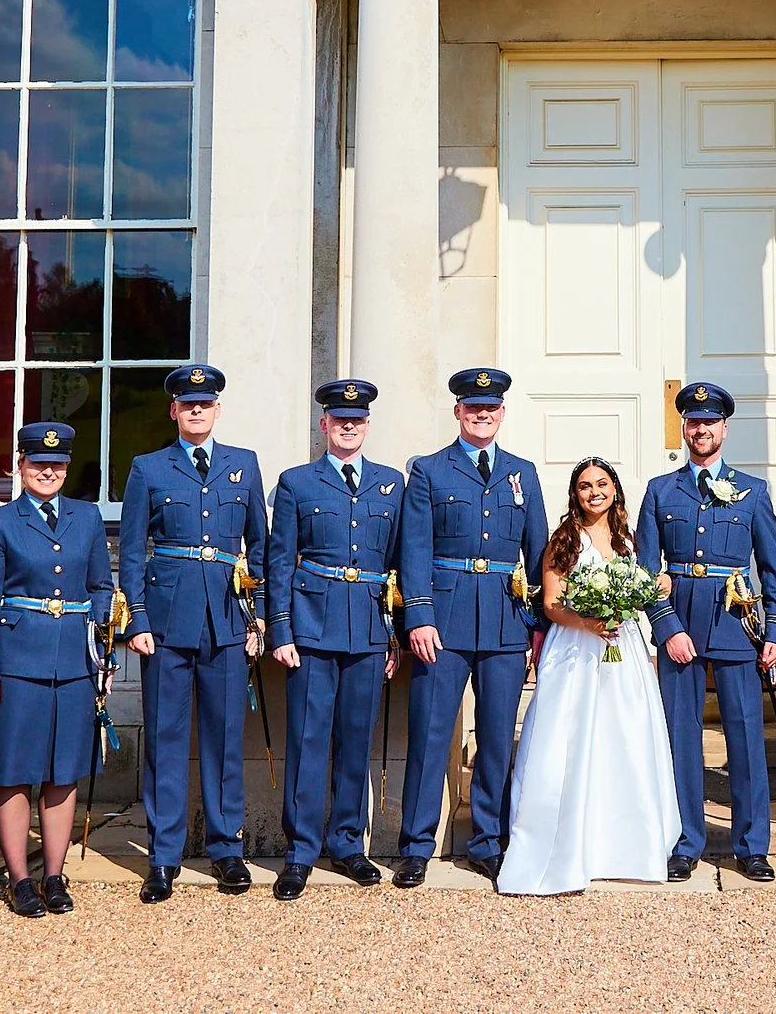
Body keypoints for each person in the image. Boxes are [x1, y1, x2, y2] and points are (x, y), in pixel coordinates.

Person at [394, 366, 548, 887]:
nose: (483, 415)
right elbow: (413, 548)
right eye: (473, 408)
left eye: (492, 408)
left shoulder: (522, 472)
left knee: (499, 738)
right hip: (444, 619)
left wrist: (539, 623)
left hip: (505, 621)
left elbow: (541, 552)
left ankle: (488, 841)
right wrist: (418, 614)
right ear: (458, 412)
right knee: (431, 734)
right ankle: (416, 844)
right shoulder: (430, 472)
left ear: (502, 413)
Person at [118, 363, 268, 900]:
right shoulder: (148, 468)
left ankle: (227, 850)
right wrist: (136, 618)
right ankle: (164, 855)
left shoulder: (243, 465)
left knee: (226, 739)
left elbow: (262, 549)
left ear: (218, 410)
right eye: (188, 404)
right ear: (174, 411)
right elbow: (133, 550)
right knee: (164, 738)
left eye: (206, 404)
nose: (197, 411)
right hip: (166, 621)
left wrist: (263, 617)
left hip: (227, 620)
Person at [497, 458, 680, 894]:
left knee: (625, 738)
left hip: (624, 649)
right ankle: (565, 845)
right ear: (574, 495)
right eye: (584, 486)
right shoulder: (564, 539)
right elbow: (553, 603)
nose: (594, 491)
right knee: (572, 740)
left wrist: (657, 588)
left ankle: (625, 847)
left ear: (615, 489)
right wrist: (590, 623)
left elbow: (643, 587)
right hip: (575, 649)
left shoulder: (628, 538)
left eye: (601, 483)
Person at [638, 381, 776, 883]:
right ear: (683, 428)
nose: (701, 429)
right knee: (681, 737)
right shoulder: (661, 490)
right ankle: (686, 841)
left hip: (734, 625)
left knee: (745, 735)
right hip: (680, 624)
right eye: (693, 421)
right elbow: (644, 569)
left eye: (710, 421)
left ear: (724, 428)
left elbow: (772, 566)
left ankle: (751, 844)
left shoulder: (752, 491)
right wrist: (666, 628)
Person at [0, 421, 116, 919]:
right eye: (37, 464)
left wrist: (102, 651)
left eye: (56, 465)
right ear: (20, 466)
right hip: (16, 662)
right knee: (13, 774)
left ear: (67, 468)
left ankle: (54, 875)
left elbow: (101, 585)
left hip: (74, 663)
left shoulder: (87, 517)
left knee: (63, 773)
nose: (47, 472)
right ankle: (20, 880)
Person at [265, 379, 402, 901]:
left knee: (356, 742)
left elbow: (398, 566)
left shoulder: (391, 484)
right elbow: (279, 560)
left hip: (367, 628)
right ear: (324, 425)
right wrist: (280, 627)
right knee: (307, 740)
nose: (349, 426)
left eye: (359, 419)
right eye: (340, 419)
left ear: (367, 425)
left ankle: (347, 843)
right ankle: (299, 852)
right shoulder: (298, 483)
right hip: (312, 627)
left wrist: (396, 632)